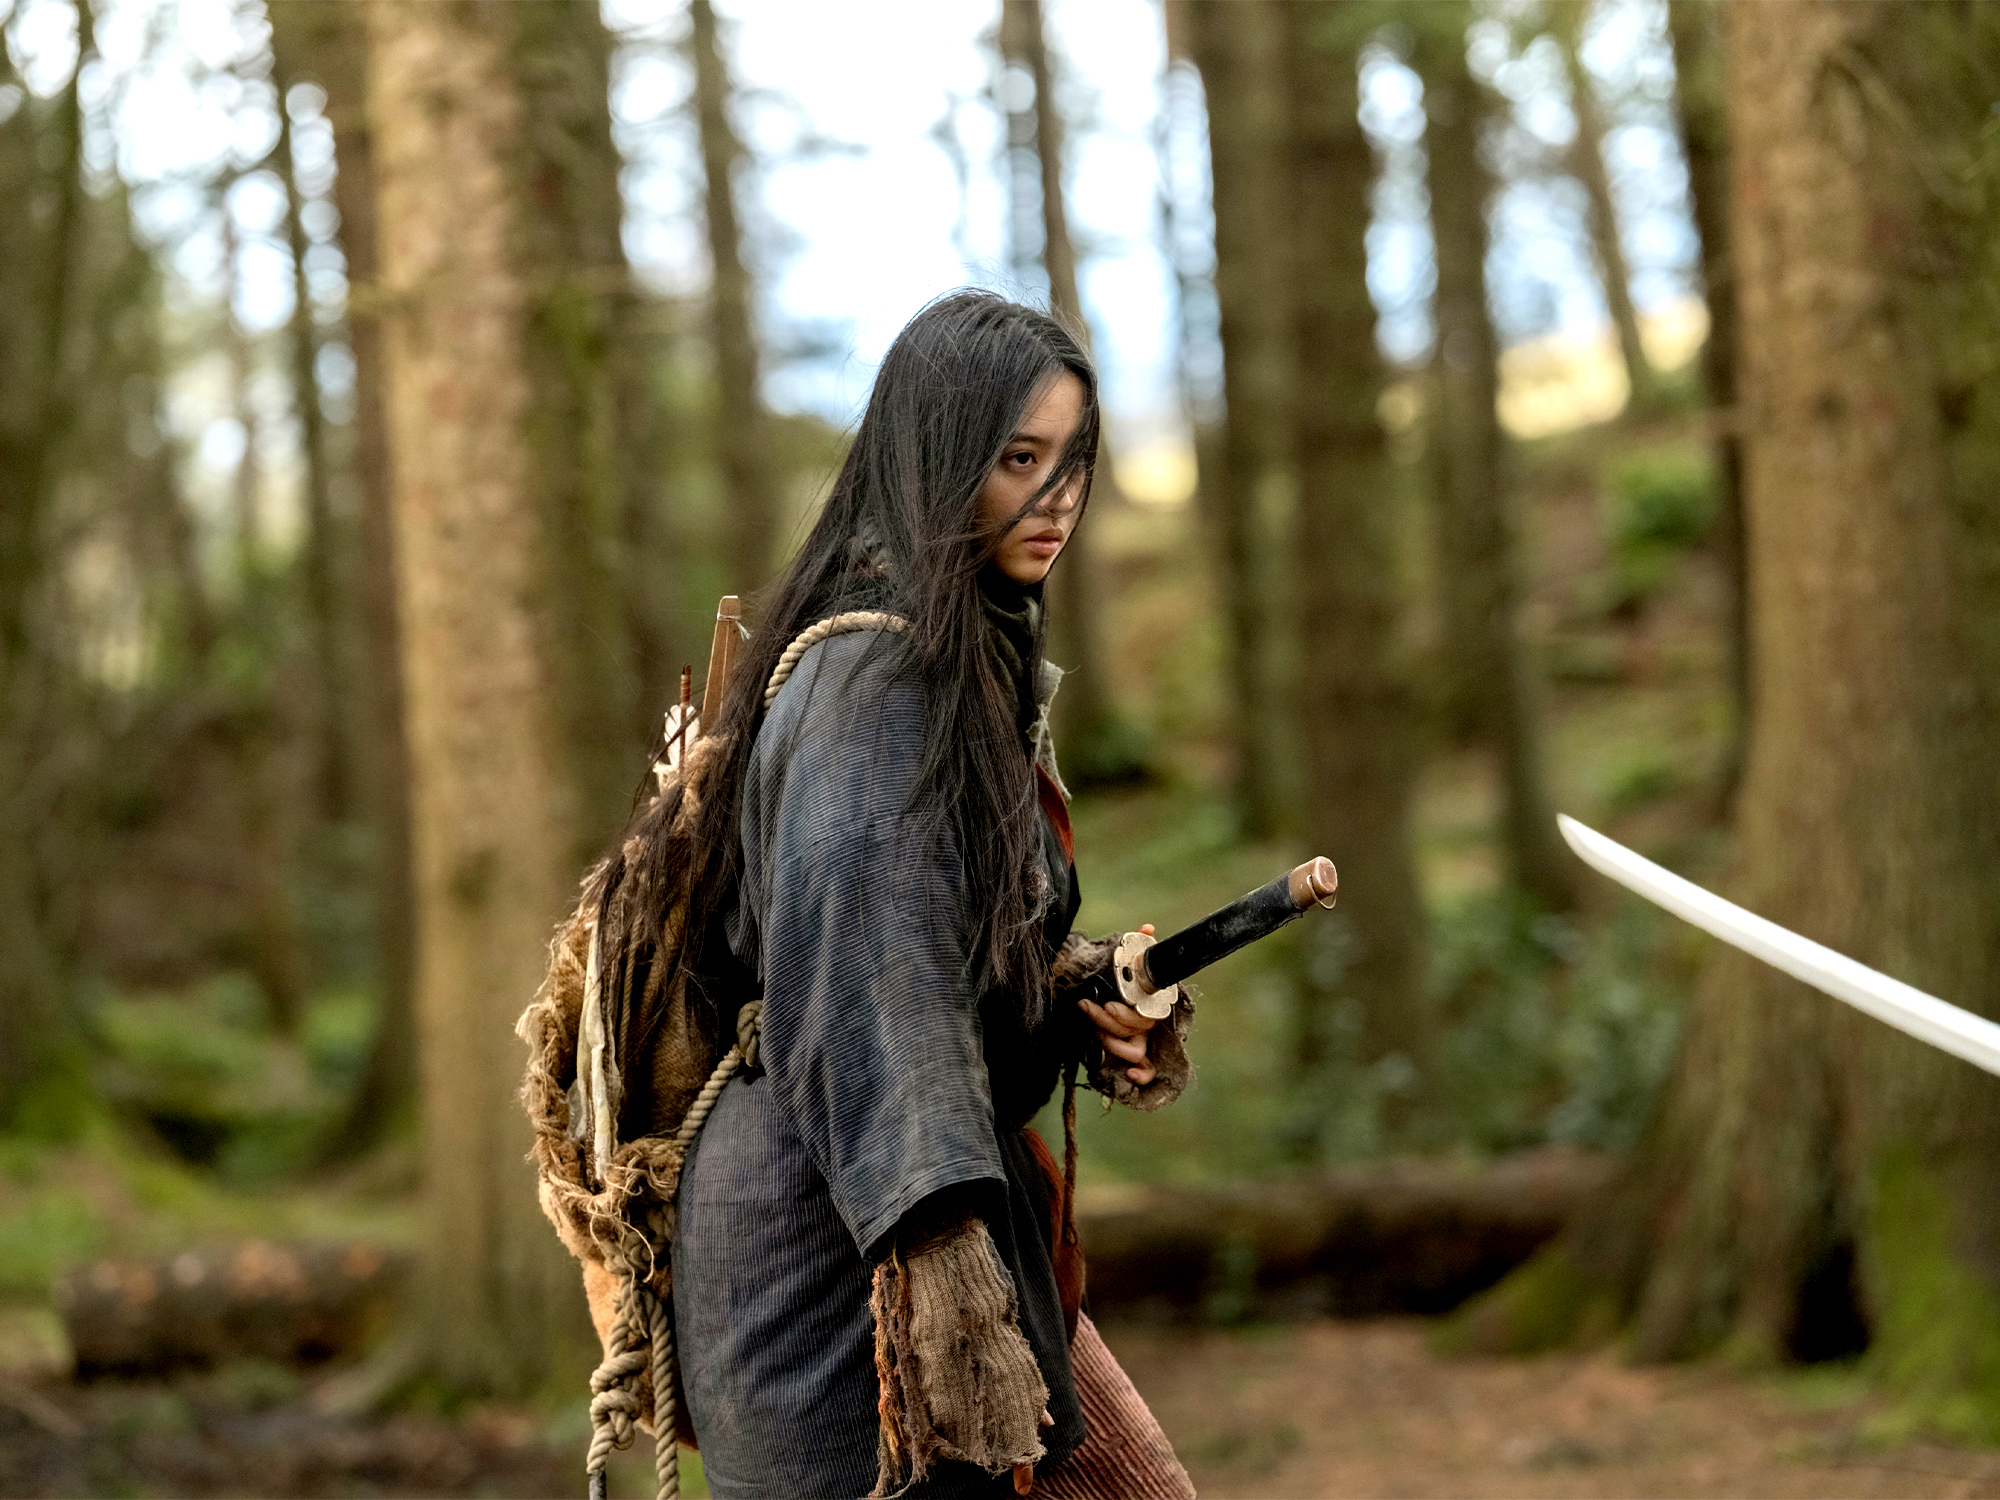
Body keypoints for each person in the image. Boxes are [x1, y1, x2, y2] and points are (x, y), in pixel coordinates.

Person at [630, 292, 1196, 1498]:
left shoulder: (951, 650)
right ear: (937, 458)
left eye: (1072, 462)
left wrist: (1083, 996)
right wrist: (940, 1271)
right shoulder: (875, 675)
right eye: (1017, 459)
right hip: (839, 1242)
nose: (1055, 501)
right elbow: (865, 976)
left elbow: (937, 954)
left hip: (909, 1205)